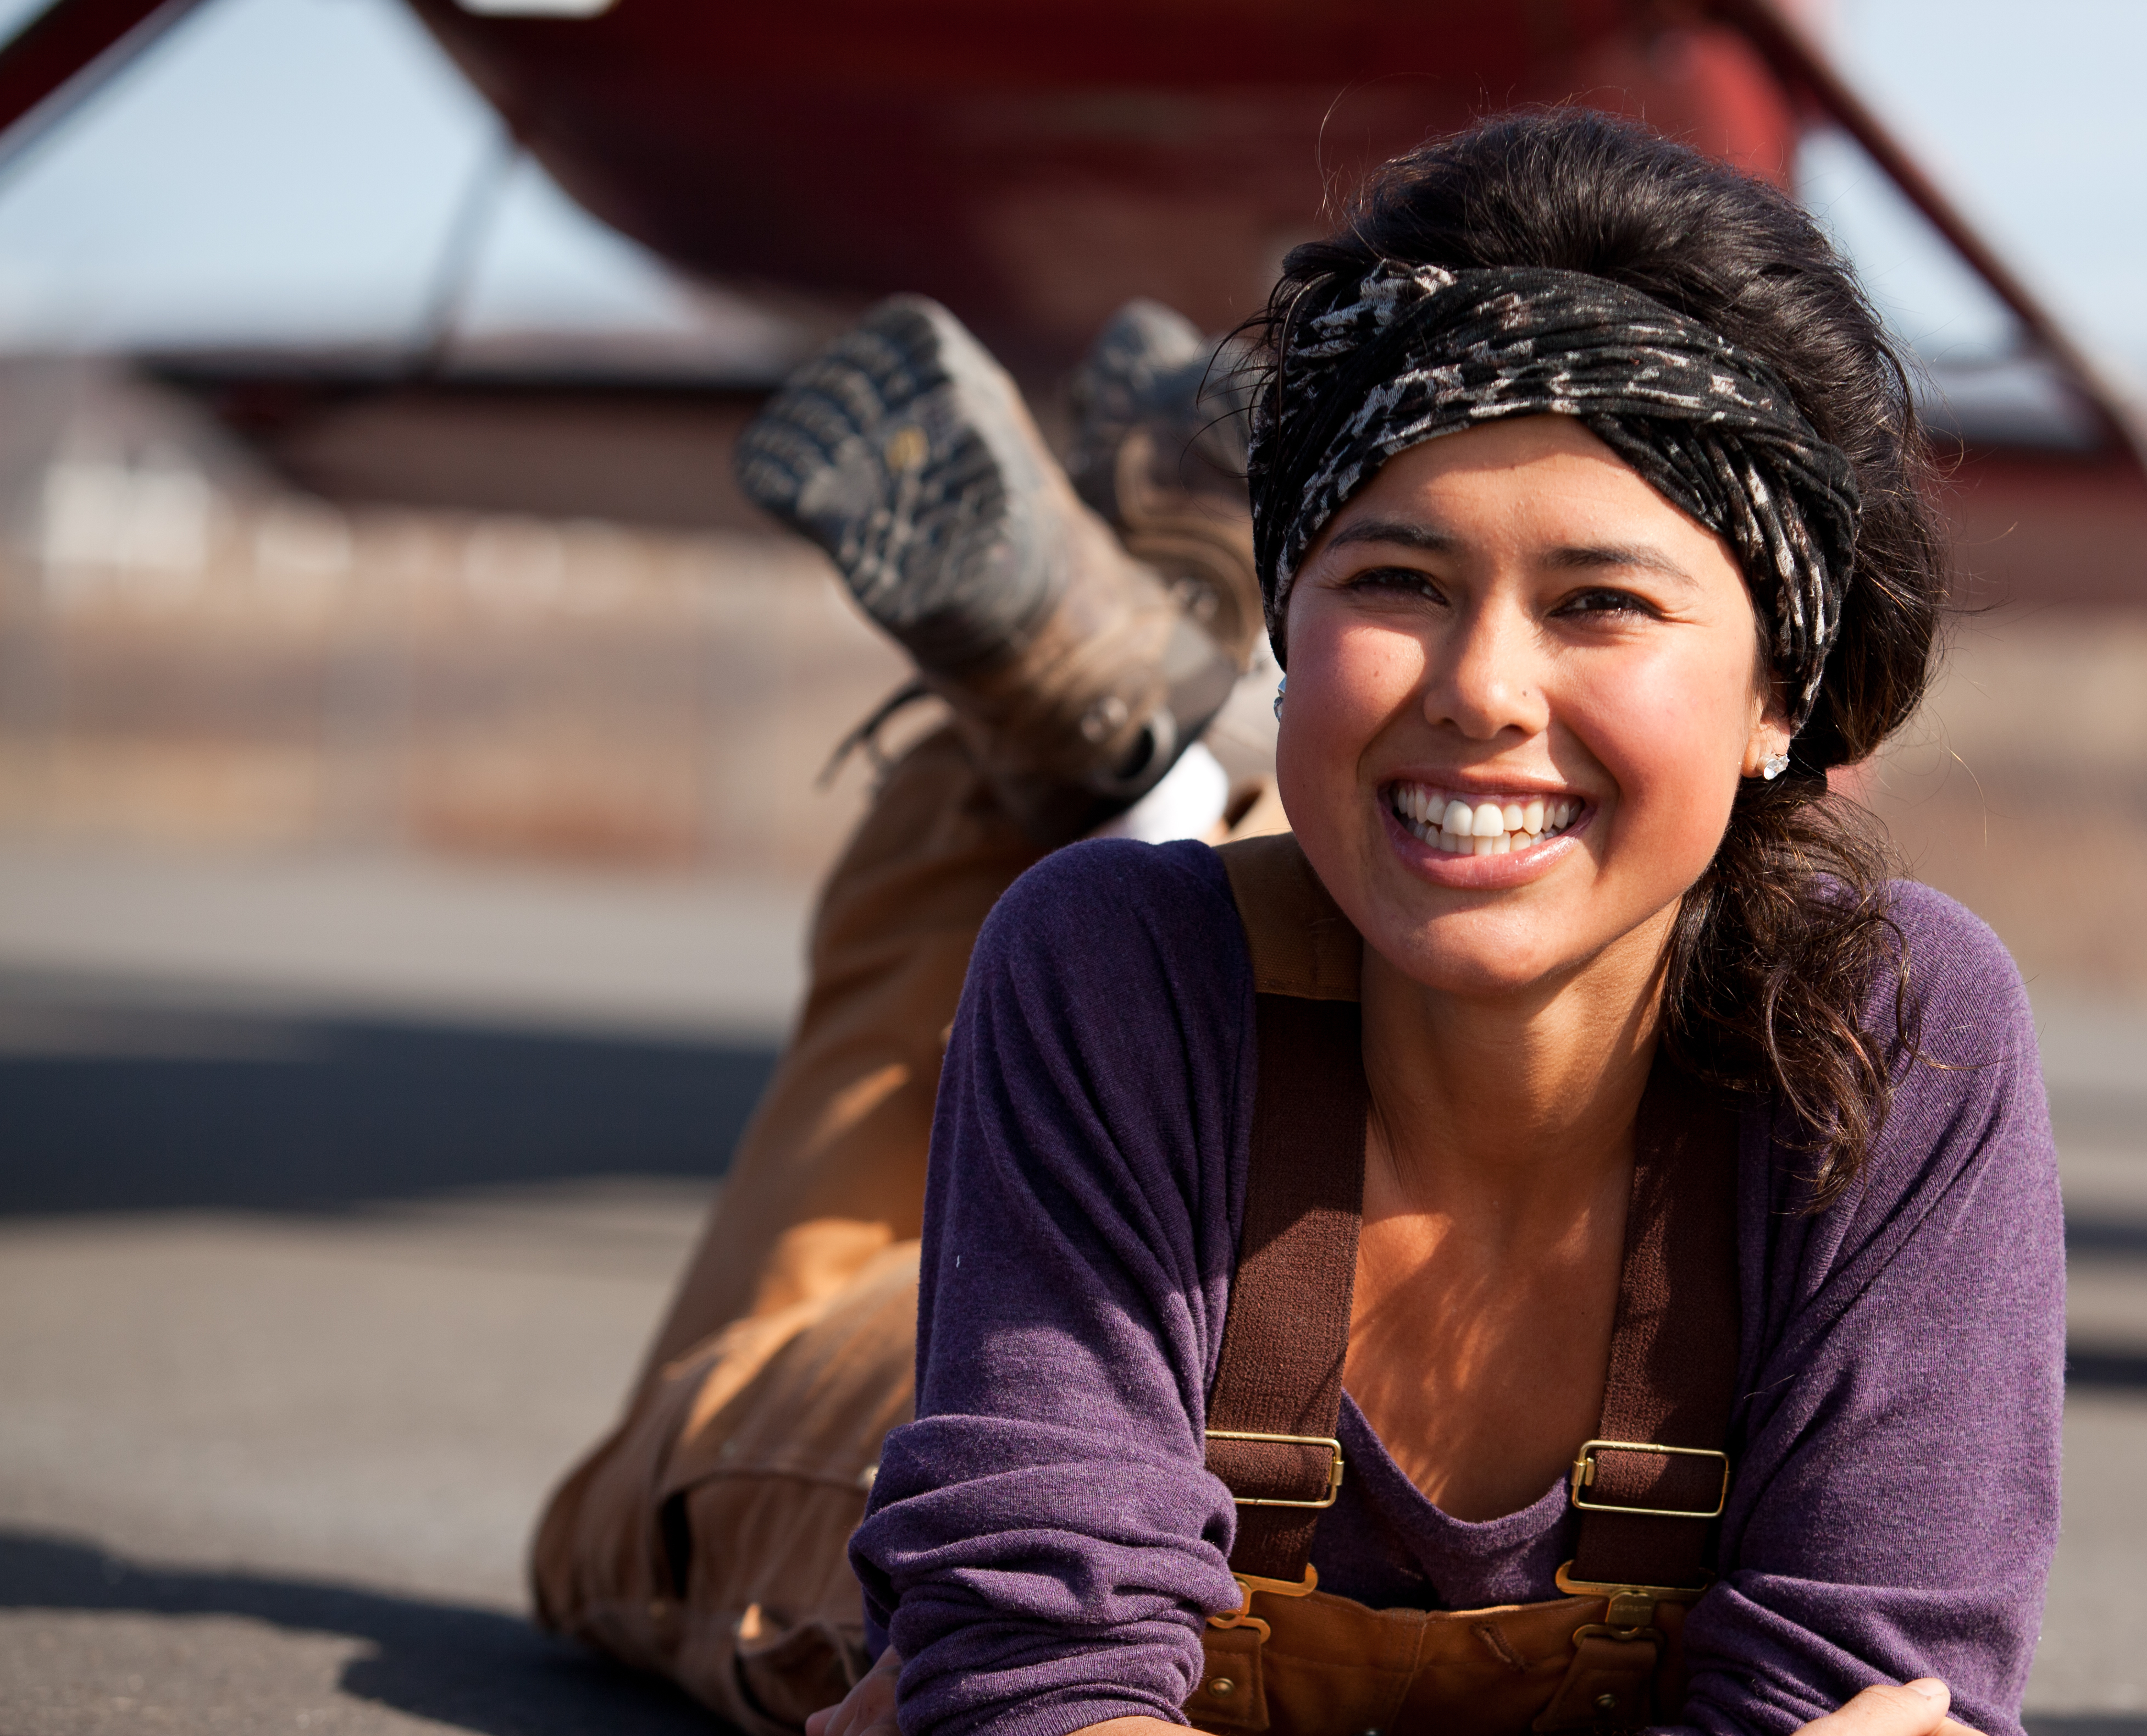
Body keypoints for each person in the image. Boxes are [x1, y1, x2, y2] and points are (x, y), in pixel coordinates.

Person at [529, 108, 2061, 1736]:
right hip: (899, 1442)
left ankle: (1108, 718)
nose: (1481, 685)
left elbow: (1895, 1690)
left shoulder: (1890, 1037)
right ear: (1295, 619)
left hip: (1287, 997)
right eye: (1393, 579)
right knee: (687, 1446)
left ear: (1784, 696)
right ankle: (1073, 732)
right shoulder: (1111, 969)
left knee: (1340, 865)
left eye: (1601, 603)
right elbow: (1033, 1670)